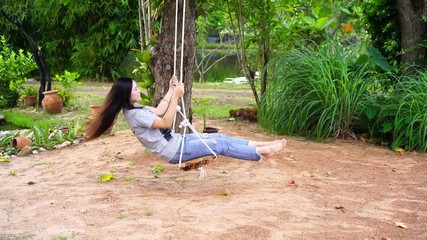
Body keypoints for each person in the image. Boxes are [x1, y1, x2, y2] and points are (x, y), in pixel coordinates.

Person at [85, 76, 286, 164]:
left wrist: (171, 90)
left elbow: (159, 109)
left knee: (221, 138)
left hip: (177, 141)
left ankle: (262, 145)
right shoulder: (135, 115)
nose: (138, 90)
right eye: (135, 89)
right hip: (174, 151)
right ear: (125, 94)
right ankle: (261, 152)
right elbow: (165, 122)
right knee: (219, 145)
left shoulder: (136, 107)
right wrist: (177, 97)